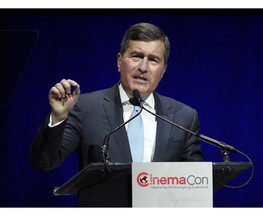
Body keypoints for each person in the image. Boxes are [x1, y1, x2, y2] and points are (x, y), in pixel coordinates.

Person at [30, 22, 204, 171]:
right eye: (136, 56)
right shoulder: (85, 108)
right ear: (119, 61)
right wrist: (59, 117)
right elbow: (44, 163)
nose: (143, 67)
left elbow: (195, 183)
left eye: (153, 60)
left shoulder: (184, 117)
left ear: (163, 71)